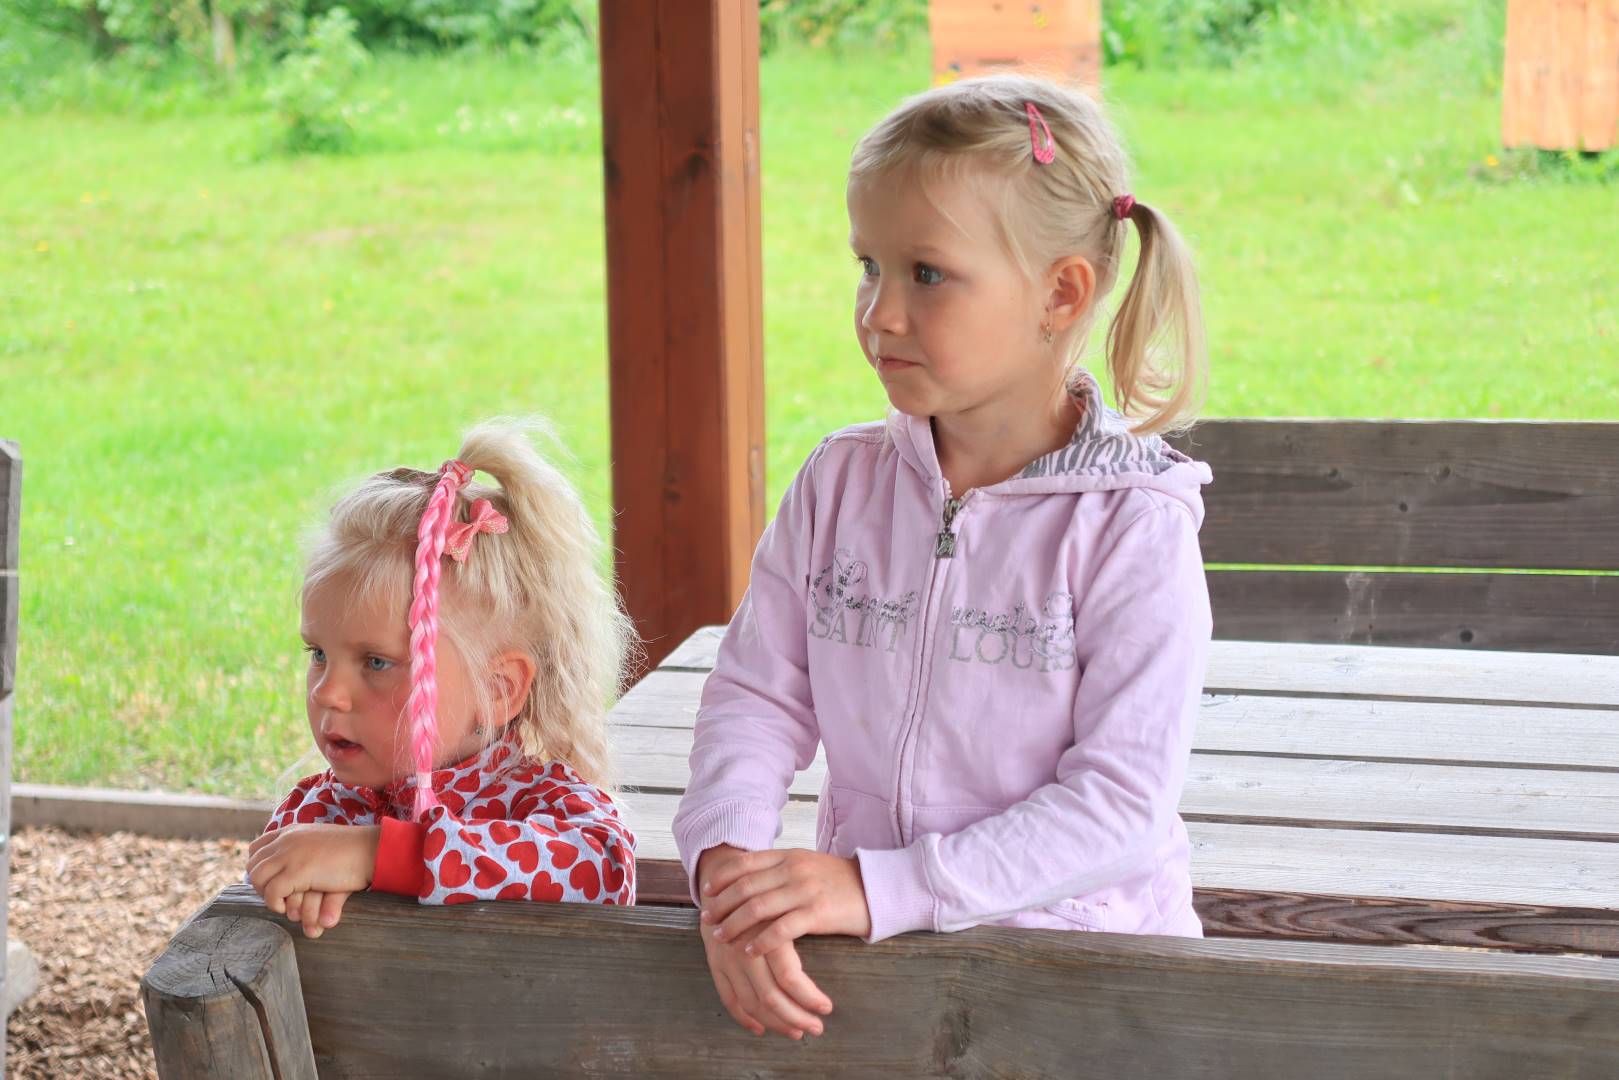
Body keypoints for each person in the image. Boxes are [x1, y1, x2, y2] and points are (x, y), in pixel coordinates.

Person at [672, 72, 1213, 1040]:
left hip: (1086, 993)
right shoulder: (838, 485)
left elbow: (1118, 807)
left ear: (1059, 293)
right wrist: (729, 868)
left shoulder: (1131, 527)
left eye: (925, 274)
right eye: (867, 266)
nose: (878, 312)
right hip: (874, 978)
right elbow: (756, 697)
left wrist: (880, 887)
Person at [247, 419, 638, 937]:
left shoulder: (538, 804)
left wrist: (381, 855)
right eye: (318, 653)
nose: (328, 693)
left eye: (376, 663)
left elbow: (603, 867)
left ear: (497, 690)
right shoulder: (317, 814)